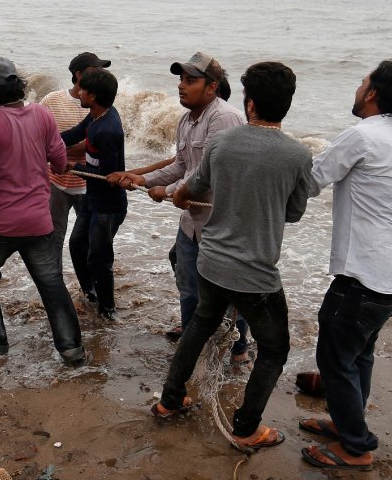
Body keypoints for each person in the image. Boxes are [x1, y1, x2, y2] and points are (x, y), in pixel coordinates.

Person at [152, 61, 312, 451]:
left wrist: (176, 195)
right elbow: (293, 213)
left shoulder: (223, 142)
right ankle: (245, 428)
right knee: (274, 350)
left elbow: (192, 187)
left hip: (212, 261)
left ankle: (169, 401)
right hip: (255, 272)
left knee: (200, 326)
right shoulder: (297, 155)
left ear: (250, 103)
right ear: (287, 105)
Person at [299, 61, 392, 471]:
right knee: (358, 357)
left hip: (363, 276)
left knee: (335, 358)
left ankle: (356, 447)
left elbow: (312, 180)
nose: (358, 87)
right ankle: (345, 423)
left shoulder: (362, 136)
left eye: (362, 81)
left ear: (372, 93)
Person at [107, 53, 250, 362]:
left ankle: (238, 348)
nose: (181, 87)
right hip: (192, 223)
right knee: (189, 290)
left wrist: (168, 190)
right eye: (181, 80)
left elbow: (210, 174)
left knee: (226, 293)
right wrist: (142, 179)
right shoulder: (186, 120)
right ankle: (193, 345)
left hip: (221, 227)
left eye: (190, 80)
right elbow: (181, 166)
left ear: (212, 87)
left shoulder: (223, 118)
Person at [0, 56, 89, 366]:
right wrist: (56, 164)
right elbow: (59, 159)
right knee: (52, 284)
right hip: (39, 220)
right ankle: (72, 350)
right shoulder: (42, 115)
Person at [60, 69, 127, 320]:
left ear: (94, 95)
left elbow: (108, 175)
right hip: (92, 198)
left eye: (83, 89)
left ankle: (107, 309)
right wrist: (46, 141)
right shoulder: (96, 115)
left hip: (108, 205)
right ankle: (90, 293)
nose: (78, 92)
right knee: (77, 244)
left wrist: (73, 167)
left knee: (99, 258)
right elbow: (74, 134)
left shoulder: (108, 130)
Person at [40, 52, 109, 271]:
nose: (101, 73)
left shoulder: (99, 103)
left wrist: (59, 150)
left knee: (90, 240)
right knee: (53, 237)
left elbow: (96, 140)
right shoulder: (52, 100)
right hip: (56, 181)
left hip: (88, 183)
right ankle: (54, 282)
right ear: (78, 74)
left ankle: (91, 285)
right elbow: (38, 135)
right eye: (95, 69)